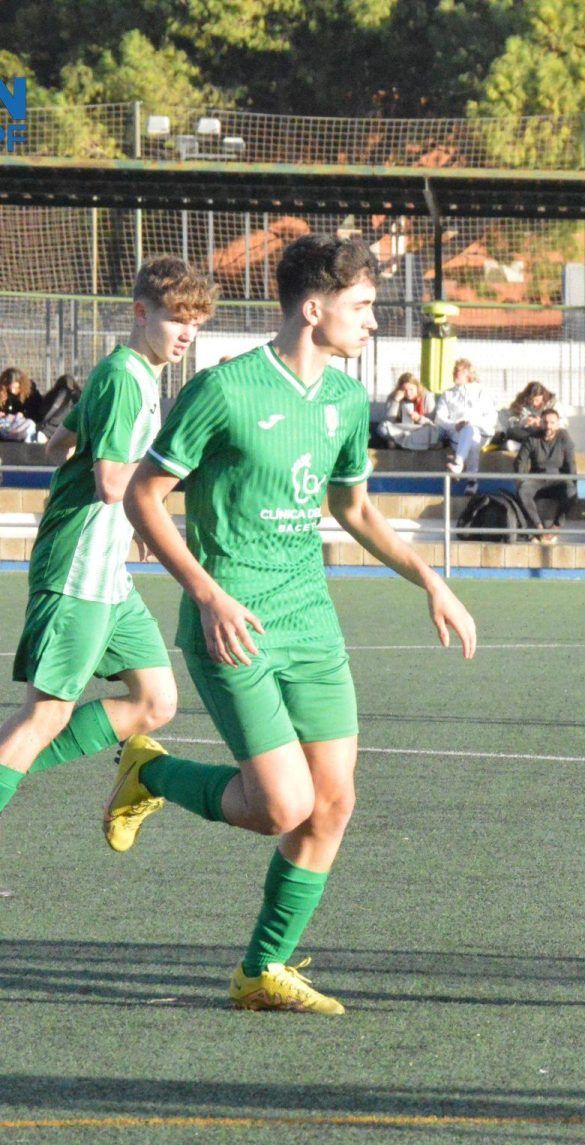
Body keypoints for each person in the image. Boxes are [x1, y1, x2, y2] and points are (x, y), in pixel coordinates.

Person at [115, 233, 478, 1015]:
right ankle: (148, 771)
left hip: (311, 624)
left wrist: (429, 579)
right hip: (232, 625)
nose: (374, 322)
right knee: (281, 806)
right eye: (363, 306)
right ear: (314, 309)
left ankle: (261, 970)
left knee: (334, 803)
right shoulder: (223, 388)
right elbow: (145, 494)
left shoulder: (348, 401)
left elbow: (352, 509)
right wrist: (207, 594)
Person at [0, 258, 216, 836]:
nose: (188, 335)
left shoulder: (121, 372)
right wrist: (171, 501)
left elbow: (58, 444)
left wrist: (136, 526)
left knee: (155, 701)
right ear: (142, 313)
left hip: (106, 577)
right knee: (45, 714)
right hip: (78, 571)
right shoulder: (125, 377)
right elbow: (114, 483)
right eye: (178, 320)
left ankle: (136, 771)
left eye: (196, 323)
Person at [503, 405, 575, 543]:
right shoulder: (532, 438)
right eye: (545, 422)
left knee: (572, 491)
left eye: (552, 423)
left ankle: (556, 527)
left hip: (558, 479)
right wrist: (520, 479)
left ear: (558, 424)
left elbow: (571, 462)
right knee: (523, 490)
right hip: (536, 479)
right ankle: (538, 527)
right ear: (541, 423)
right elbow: (520, 461)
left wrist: (573, 481)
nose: (548, 426)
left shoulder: (564, 437)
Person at [432, 358, 496, 475]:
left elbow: (491, 416)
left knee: (471, 430)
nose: (455, 373)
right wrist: (454, 425)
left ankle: (458, 464)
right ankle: (472, 480)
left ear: (469, 374)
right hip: (458, 434)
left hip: (482, 433)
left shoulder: (482, 392)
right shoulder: (447, 394)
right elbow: (439, 418)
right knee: (471, 436)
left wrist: (473, 423)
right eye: (455, 370)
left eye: (459, 371)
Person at [374, 371, 437, 450]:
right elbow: (389, 420)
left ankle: (399, 443)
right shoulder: (393, 396)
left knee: (433, 433)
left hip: (419, 428)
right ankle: (412, 444)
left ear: (417, 387)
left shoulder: (427, 397)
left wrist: (419, 418)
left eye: (411, 389)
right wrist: (395, 401)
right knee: (382, 428)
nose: (408, 393)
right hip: (401, 428)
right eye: (404, 390)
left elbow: (432, 423)